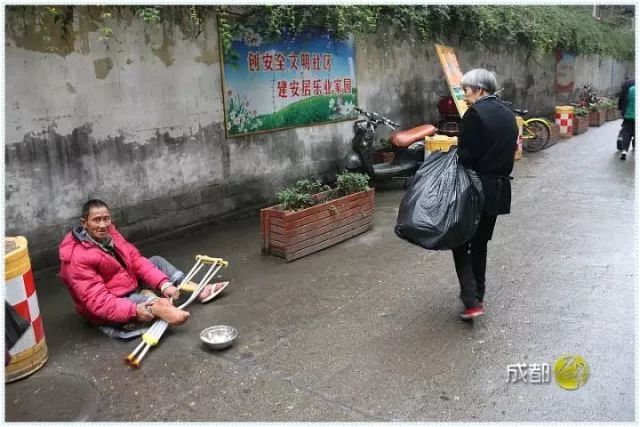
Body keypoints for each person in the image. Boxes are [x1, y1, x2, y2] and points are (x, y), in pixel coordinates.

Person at [59, 199, 229, 339]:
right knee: (137, 301)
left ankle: (197, 290)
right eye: (96, 220)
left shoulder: (111, 233)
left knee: (156, 261)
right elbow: (99, 302)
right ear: (84, 223)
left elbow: (135, 259)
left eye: (106, 219)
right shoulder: (77, 257)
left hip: (126, 281)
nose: (103, 225)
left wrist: (163, 284)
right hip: (113, 298)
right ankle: (156, 306)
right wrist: (134, 310)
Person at [453, 69, 518, 320]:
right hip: (498, 189)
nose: (464, 95)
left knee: (459, 241)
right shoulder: (507, 113)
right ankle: (478, 295)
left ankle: (471, 300)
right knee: (480, 243)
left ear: (480, 89)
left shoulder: (475, 114)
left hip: (476, 188)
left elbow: (466, 156)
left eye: (466, 90)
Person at [617, 78, 635, 160]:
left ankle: (624, 150)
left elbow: (624, 100)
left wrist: (622, 110)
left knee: (627, 133)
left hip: (629, 115)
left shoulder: (631, 88)